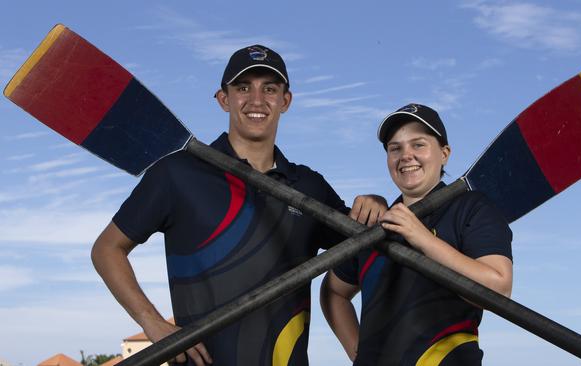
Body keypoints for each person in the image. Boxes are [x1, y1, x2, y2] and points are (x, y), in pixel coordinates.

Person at [91, 44, 386, 366]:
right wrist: (153, 323)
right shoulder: (178, 173)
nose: (256, 100)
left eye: (269, 89)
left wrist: (376, 204)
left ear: (285, 101)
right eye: (243, 88)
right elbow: (107, 249)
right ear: (223, 98)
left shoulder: (310, 186)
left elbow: (368, 252)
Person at [320, 103, 513, 365]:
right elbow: (333, 292)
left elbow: (498, 290)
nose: (406, 155)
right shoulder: (375, 224)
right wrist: (359, 354)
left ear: (444, 153)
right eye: (395, 148)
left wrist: (422, 238)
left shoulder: (472, 208)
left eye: (418, 144)